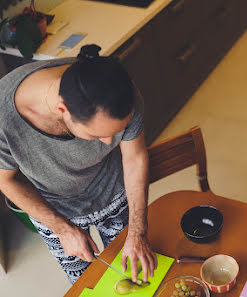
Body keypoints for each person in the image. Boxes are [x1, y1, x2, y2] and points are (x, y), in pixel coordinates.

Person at [0, 44, 157, 284]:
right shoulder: (4, 119)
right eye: (97, 135)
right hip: (52, 208)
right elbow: (6, 180)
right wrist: (62, 229)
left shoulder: (119, 92)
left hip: (115, 191)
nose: (109, 143)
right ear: (62, 110)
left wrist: (138, 231)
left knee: (132, 272)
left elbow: (134, 157)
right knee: (85, 283)